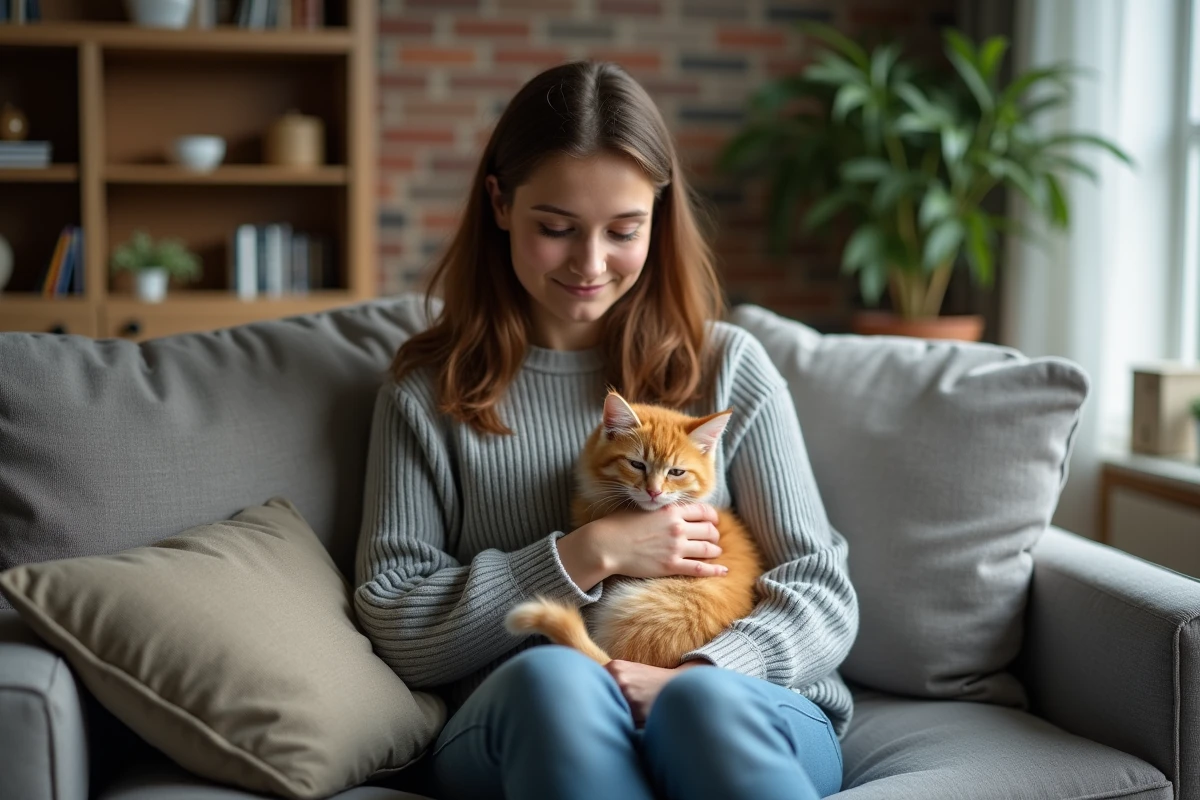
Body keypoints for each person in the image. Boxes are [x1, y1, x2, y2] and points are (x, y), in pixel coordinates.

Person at [355, 60, 858, 800]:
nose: (590, 264)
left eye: (624, 230)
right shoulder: (429, 391)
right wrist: (589, 551)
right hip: (531, 718)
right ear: (499, 203)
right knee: (556, 681)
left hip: (742, 700)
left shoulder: (729, 366)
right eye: (556, 228)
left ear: (659, 215)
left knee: (702, 704)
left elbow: (820, 589)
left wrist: (702, 672)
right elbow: (398, 622)